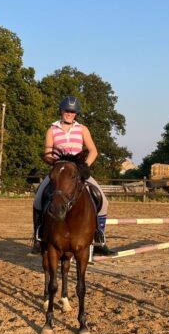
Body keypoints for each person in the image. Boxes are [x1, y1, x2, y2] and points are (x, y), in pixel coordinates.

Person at [31, 96, 113, 256]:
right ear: (61, 110)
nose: (69, 113)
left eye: (72, 111)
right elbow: (48, 152)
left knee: (103, 201)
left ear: (76, 113)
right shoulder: (52, 129)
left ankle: (99, 238)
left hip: (78, 170)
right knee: (38, 198)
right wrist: (55, 163)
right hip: (60, 170)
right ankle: (38, 236)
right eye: (66, 110)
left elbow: (93, 151)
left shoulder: (82, 129)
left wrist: (85, 166)